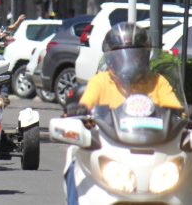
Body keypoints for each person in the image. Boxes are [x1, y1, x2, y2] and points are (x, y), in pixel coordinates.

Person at [64, 22, 181, 205]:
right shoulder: (100, 81)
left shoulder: (157, 81)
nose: (129, 61)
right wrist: (78, 110)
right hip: (107, 150)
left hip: (156, 151)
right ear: (110, 59)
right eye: (122, 56)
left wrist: (189, 115)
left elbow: (176, 111)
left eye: (136, 55)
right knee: (74, 161)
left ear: (145, 56)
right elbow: (84, 106)